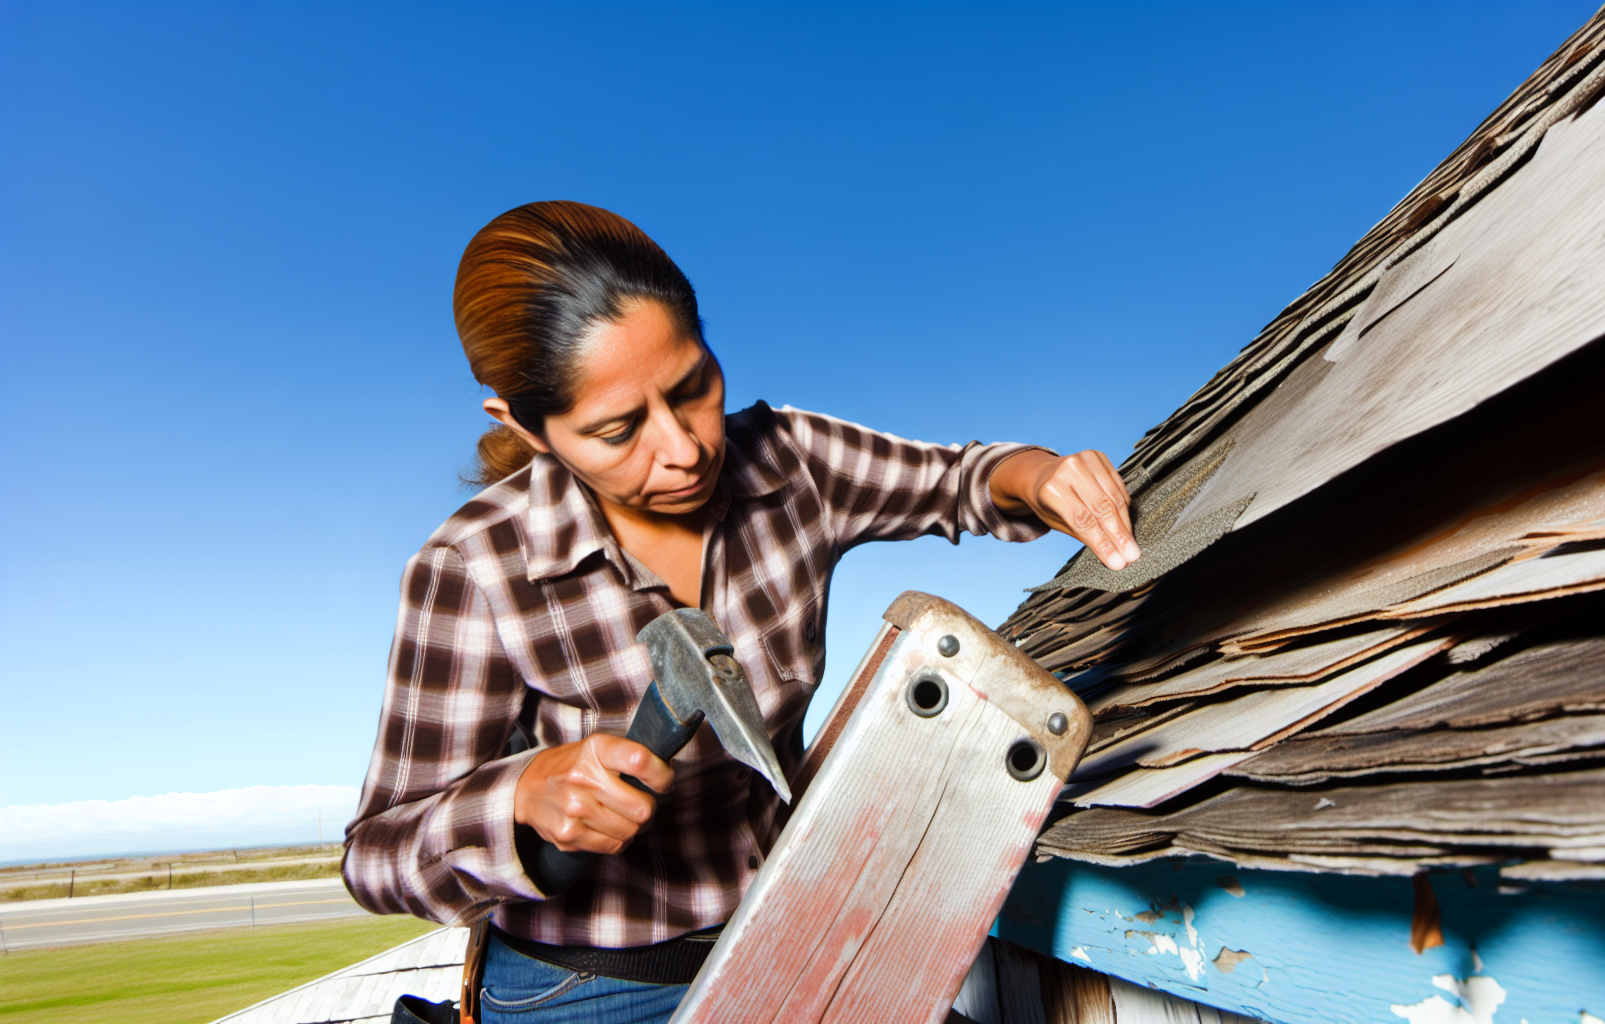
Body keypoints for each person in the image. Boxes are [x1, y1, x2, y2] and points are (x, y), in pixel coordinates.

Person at [343, 201, 1141, 1023]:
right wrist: (520, 798)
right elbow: (377, 855)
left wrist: (1043, 477)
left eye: (692, 388)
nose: (684, 448)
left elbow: (966, 479)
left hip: (785, 934)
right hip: (585, 986)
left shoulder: (791, 462)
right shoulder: (476, 567)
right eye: (618, 432)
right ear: (527, 427)